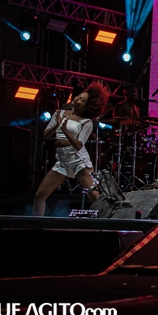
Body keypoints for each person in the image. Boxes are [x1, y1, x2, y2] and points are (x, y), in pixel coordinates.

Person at [33, 82, 108, 216]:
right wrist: (57, 124)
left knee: (95, 198)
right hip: (63, 162)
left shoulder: (87, 122)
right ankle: (34, 225)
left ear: (87, 106)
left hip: (79, 161)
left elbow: (79, 145)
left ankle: (104, 225)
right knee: (40, 195)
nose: (77, 99)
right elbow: (46, 135)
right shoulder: (59, 113)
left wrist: (64, 131)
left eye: (82, 100)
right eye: (79, 96)